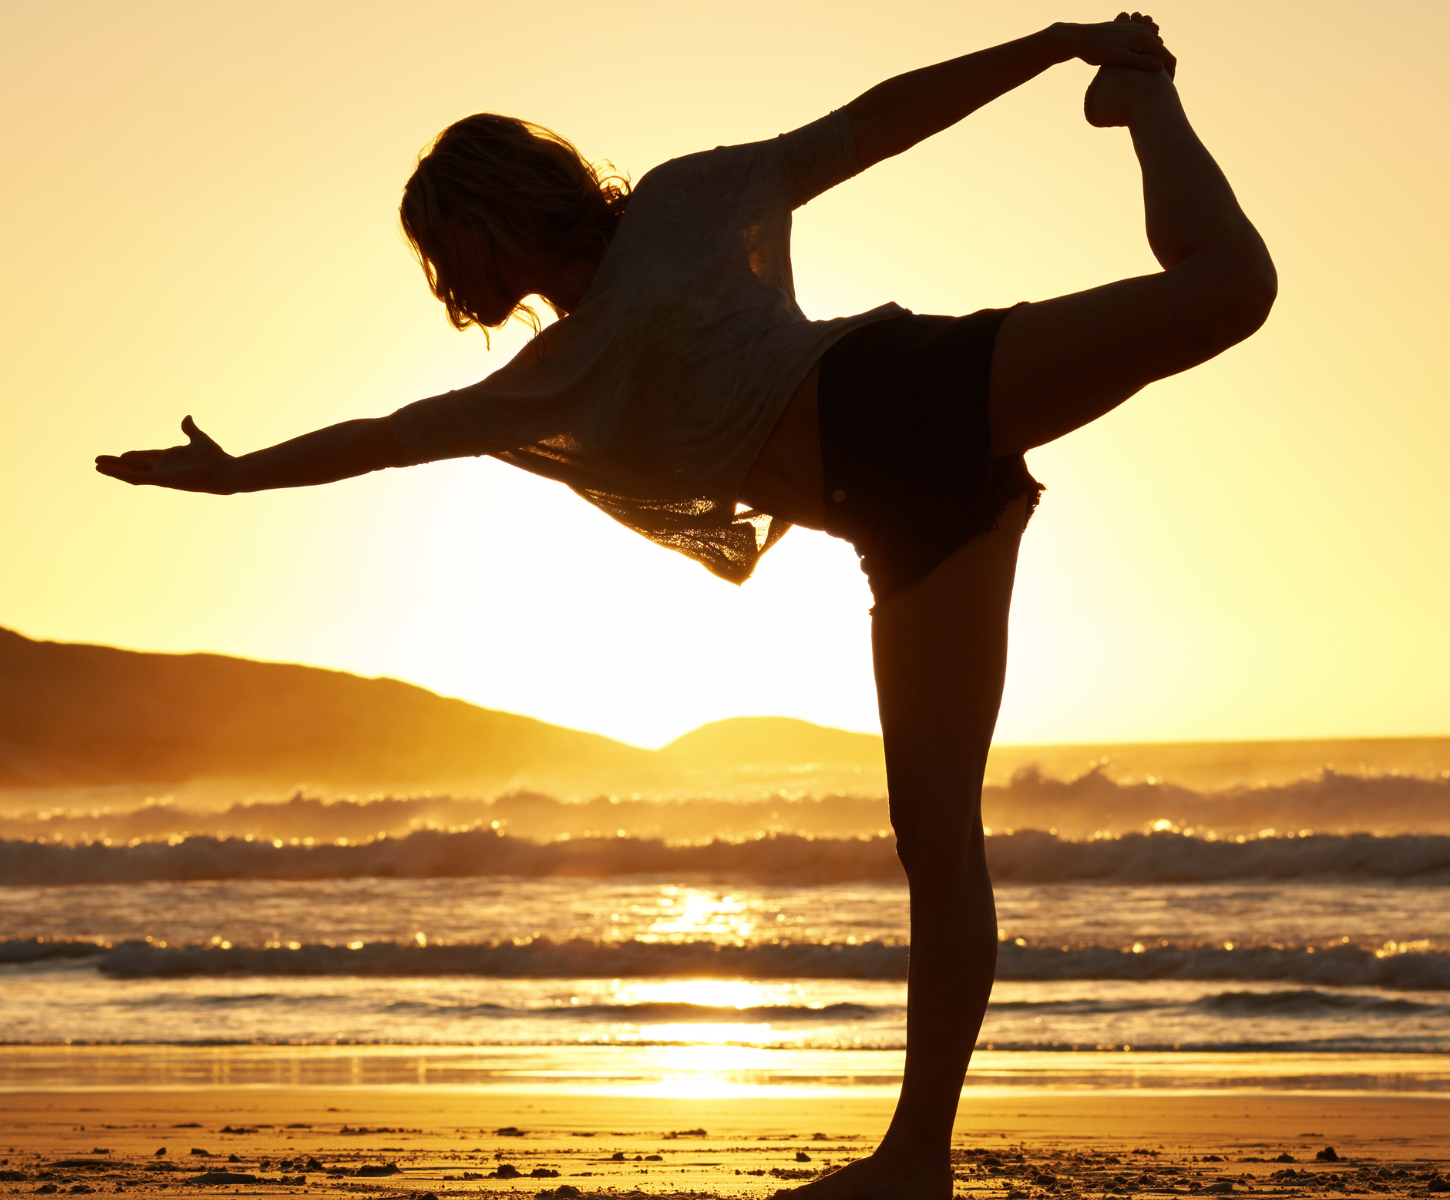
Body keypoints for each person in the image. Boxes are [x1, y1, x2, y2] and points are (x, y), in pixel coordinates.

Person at [97, 14, 1274, 1197]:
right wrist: (238, 471)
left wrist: (1055, 45)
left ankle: (1143, 100)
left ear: (487, 206)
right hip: (907, 527)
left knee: (1227, 292)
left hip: (905, 398)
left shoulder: (682, 205)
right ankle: (918, 1157)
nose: (444, 276)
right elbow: (390, 439)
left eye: (441, 241)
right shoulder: (547, 382)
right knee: (935, 840)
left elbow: (870, 123)